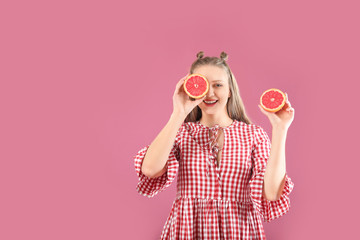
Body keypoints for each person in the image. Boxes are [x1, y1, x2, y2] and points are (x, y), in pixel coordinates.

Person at [133, 51, 295, 239]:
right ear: (189, 89)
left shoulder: (253, 135)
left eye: (218, 85)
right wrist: (179, 112)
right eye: (202, 85)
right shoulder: (181, 132)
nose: (209, 93)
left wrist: (280, 129)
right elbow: (150, 170)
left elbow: (273, 193)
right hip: (186, 229)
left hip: (239, 231)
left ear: (230, 90)